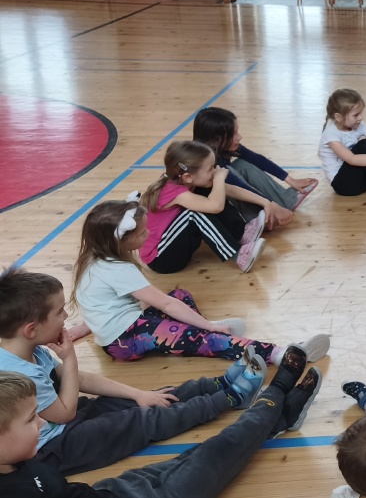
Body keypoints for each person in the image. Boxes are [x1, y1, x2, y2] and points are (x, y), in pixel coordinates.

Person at [0, 345, 323, 498]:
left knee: (204, 454)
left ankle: (281, 418)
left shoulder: (15, 458)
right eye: (30, 419)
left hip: (115, 493)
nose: (42, 422)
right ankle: (276, 394)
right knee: (220, 452)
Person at [0, 265, 267, 476]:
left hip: (68, 418)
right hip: (56, 447)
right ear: (31, 329)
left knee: (147, 399)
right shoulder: (20, 374)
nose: (66, 317)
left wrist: (137, 393)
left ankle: (217, 384)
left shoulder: (29, 349)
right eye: (60, 312)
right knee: (143, 420)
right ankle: (229, 398)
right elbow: (64, 413)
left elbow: (78, 380)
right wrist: (69, 359)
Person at [71, 199, 328, 365]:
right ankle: (283, 354)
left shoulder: (93, 258)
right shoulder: (118, 269)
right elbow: (165, 305)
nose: (148, 233)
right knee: (202, 337)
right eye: (141, 233)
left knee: (180, 295)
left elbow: (96, 302)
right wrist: (209, 326)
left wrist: (85, 327)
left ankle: (204, 331)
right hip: (125, 340)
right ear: (119, 241)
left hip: (122, 331)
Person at [140, 140, 267, 274]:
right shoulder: (173, 191)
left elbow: (229, 190)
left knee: (210, 191)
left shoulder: (185, 180)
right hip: (161, 259)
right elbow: (216, 206)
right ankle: (239, 255)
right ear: (188, 177)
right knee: (193, 214)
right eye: (211, 168)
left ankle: (241, 235)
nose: (215, 170)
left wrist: (265, 202)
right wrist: (218, 179)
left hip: (173, 245)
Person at [193, 106, 317, 223]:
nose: (239, 137)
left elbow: (257, 159)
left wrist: (290, 179)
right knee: (230, 173)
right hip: (220, 207)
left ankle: (284, 200)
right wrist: (269, 203)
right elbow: (238, 186)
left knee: (243, 165)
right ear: (216, 139)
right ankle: (258, 218)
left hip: (232, 191)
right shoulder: (211, 162)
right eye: (233, 134)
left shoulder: (221, 147)